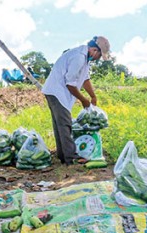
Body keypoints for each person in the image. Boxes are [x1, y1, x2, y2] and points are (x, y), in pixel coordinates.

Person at [42, 36, 110, 165]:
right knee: (65, 124)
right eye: (99, 56)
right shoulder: (78, 57)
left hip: (56, 91)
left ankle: (63, 156)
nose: (98, 59)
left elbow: (85, 79)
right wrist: (84, 100)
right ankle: (70, 158)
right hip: (57, 91)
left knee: (60, 125)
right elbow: (70, 84)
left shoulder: (84, 59)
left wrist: (93, 96)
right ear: (95, 50)